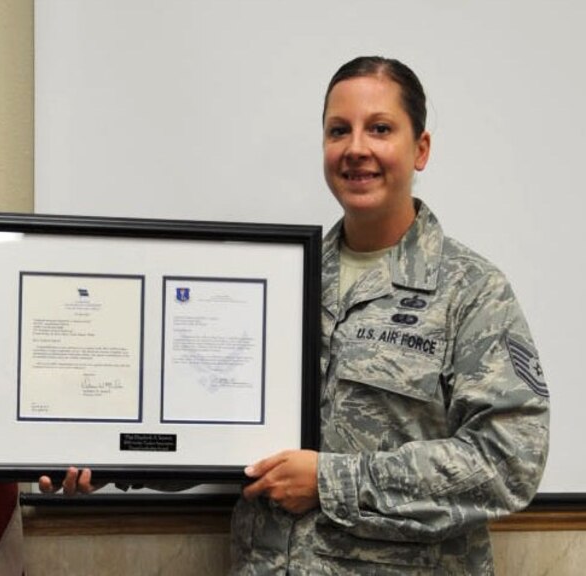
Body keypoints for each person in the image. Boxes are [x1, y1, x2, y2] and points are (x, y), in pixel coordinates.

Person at [40, 56, 550, 575]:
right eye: (338, 131)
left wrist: (331, 482)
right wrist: (113, 458)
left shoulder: (472, 290)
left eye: (379, 129)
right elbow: (217, 427)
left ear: (420, 149)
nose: (356, 148)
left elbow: (507, 462)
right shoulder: (276, 282)